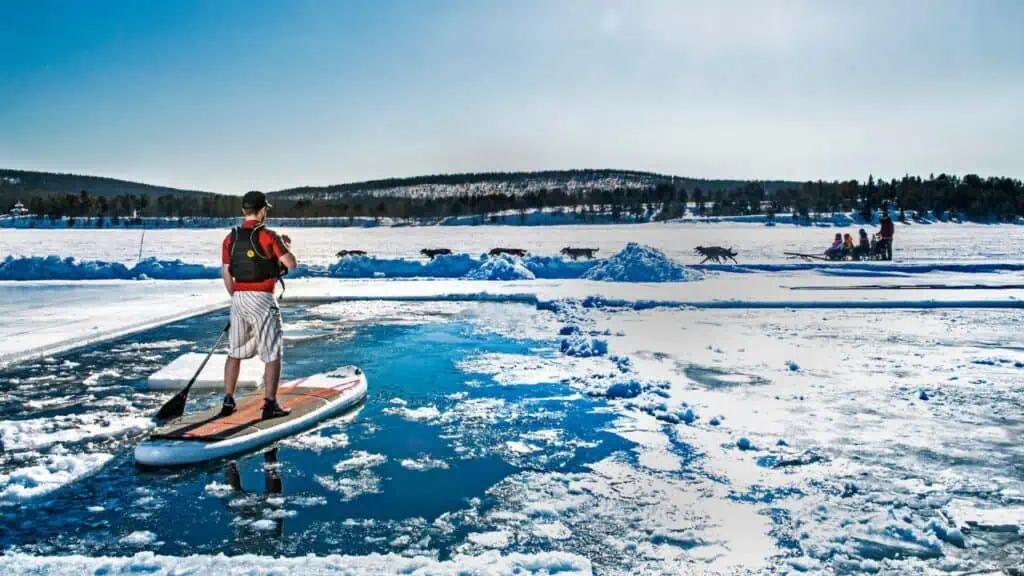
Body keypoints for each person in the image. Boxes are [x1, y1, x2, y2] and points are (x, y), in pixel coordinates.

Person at [221, 190, 297, 419]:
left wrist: (236, 298)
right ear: (262, 211)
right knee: (272, 352)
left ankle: (228, 400)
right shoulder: (269, 236)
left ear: (245, 210)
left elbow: (226, 273)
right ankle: (270, 404)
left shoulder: (230, 238)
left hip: (238, 298)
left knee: (234, 352)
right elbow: (290, 264)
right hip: (263, 298)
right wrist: (285, 246)